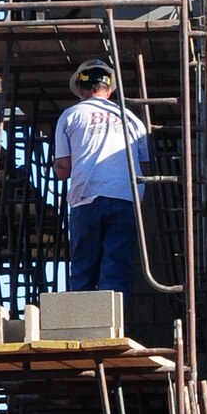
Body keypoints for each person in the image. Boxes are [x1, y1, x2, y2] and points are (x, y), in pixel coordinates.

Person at [53, 60, 149, 292]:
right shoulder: (131, 119)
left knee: (84, 271)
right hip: (125, 199)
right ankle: (113, 327)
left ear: (81, 89)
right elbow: (144, 168)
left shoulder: (71, 115)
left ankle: (81, 326)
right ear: (110, 89)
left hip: (87, 199)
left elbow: (63, 169)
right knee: (116, 273)